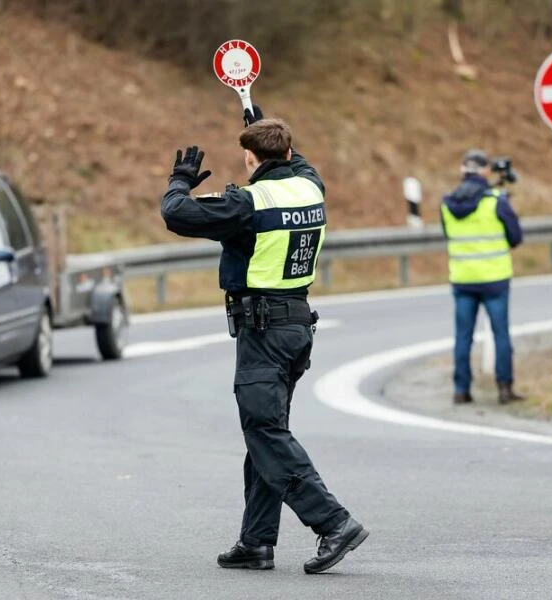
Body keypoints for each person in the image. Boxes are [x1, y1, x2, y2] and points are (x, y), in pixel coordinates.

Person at [160, 105, 368, 574]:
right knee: (266, 432)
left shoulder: (247, 204)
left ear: (251, 160)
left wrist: (180, 179)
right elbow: (295, 159)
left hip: (263, 331)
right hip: (297, 327)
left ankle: (333, 522)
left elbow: (176, 214)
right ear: (290, 151)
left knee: (265, 432)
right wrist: (262, 124)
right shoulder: (311, 185)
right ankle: (256, 543)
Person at [440, 149, 525, 405]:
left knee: (463, 336)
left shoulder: (447, 203)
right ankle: (504, 388)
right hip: (495, 279)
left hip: (463, 279)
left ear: (463, 171)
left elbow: (449, 236)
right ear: (485, 171)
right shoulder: (496, 201)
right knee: (500, 334)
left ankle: (461, 390)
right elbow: (516, 237)